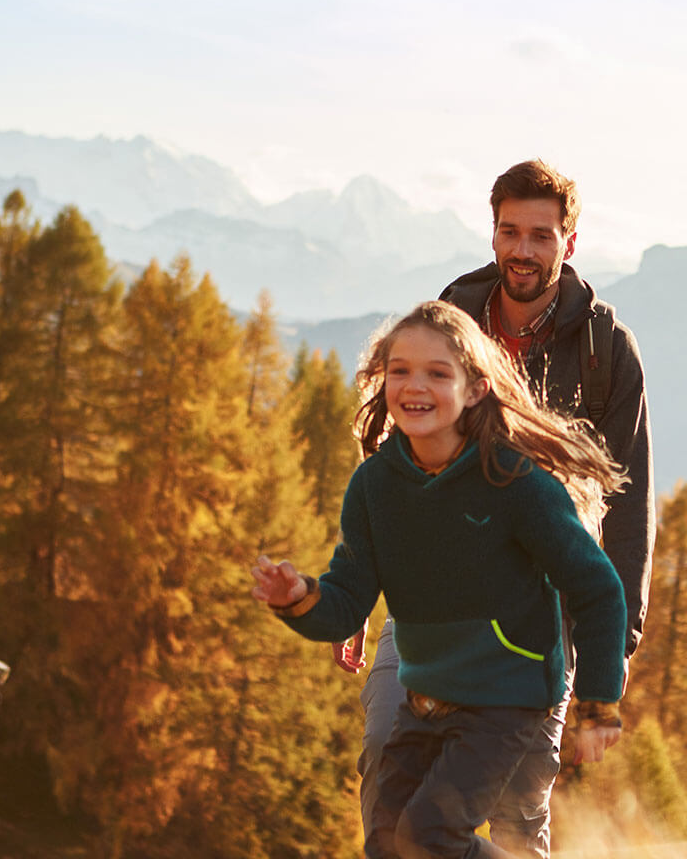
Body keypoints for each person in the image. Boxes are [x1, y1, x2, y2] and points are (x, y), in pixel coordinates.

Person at [341, 159, 654, 857]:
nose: (522, 250)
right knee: (387, 767)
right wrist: (359, 592)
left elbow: (628, 505)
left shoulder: (605, 350)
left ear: (569, 244)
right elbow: (401, 456)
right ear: (492, 234)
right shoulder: (451, 317)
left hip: (542, 615)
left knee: (517, 811)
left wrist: (618, 640)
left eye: (541, 236)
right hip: (431, 605)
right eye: (510, 232)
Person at [251, 300, 628, 859]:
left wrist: (598, 703)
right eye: (399, 370)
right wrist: (301, 596)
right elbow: (347, 599)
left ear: (474, 389)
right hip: (426, 696)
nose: (413, 385)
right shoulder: (376, 486)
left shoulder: (515, 482)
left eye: (436, 372)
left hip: (509, 698)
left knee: (429, 838)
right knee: (386, 841)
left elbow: (598, 589)